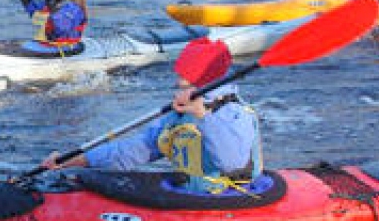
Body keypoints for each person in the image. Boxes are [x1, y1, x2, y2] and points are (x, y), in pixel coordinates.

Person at [42, 38, 266, 195]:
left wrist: (203, 115)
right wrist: (78, 160)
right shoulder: (179, 114)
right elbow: (135, 150)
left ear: (201, 78)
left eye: (184, 75)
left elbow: (232, 163)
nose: (177, 80)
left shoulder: (234, 114)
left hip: (234, 198)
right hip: (193, 195)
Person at [6, 0, 90, 54]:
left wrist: (48, 0)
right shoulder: (49, 5)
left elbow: (61, 27)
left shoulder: (74, 9)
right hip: (44, 45)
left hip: (63, 48)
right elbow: (31, 9)